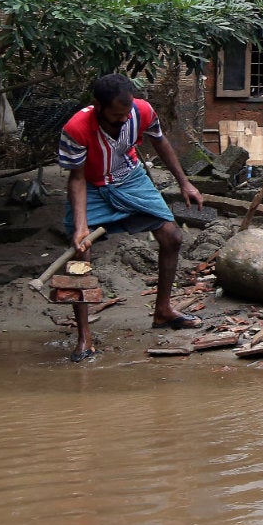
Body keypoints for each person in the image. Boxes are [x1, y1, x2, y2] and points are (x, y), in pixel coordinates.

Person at [58, 73, 205, 361]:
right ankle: (84, 336)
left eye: (127, 114)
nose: (123, 120)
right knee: (80, 256)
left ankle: (163, 311)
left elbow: (160, 142)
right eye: (115, 115)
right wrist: (80, 226)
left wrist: (184, 182)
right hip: (92, 186)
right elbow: (75, 179)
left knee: (172, 235)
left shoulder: (143, 111)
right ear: (97, 106)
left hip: (130, 178)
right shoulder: (75, 129)